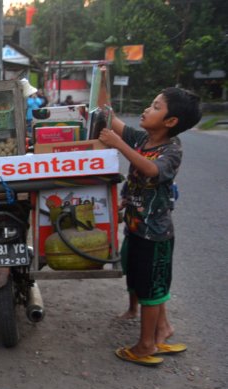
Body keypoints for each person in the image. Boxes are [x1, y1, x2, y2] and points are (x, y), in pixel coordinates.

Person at [98, 87, 201, 366]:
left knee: (151, 289)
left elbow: (151, 171)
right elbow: (114, 122)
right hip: (135, 226)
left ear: (171, 122)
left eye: (155, 107)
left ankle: (146, 346)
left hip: (154, 233)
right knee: (140, 277)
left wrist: (120, 146)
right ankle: (161, 329)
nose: (146, 109)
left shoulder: (171, 149)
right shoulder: (144, 138)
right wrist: (102, 99)